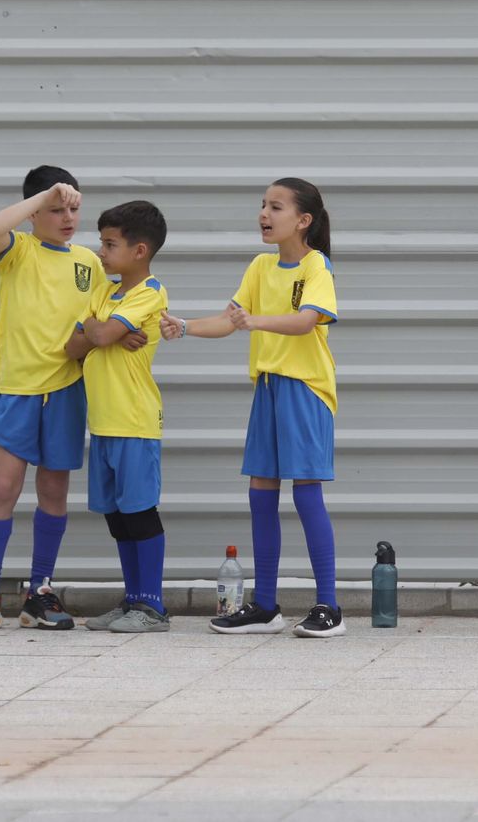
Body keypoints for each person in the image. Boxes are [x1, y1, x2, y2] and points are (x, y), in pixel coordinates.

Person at [0, 167, 143, 632]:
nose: (68, 217)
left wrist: (121, 336)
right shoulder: (18, 250)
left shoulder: (89, 263)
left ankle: (40, 591)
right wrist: (44, 195)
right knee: (3, 488)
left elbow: (104, 315)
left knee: (53, 492)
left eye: (73, 208)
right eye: (56, 209)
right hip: (19, 390)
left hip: (67, 391)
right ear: (34, 212)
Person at [160, 178, 344, 638]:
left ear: (303, 220)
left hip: (305, 389)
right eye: (262, 205)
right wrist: (183, 326)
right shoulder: (260, 267)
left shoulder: (316, 266)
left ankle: (329, 607)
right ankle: (265, 606)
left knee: (306, 493)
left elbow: (306, 321)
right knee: (261, 494)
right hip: (267, 386)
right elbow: (229, 319)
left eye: (275, 206)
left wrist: (254, 321)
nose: (264, 213)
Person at [63, 200, 172, 633]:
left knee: (140, 511)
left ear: (139, 250)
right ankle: (132, 599)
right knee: (117, 515)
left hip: (134, 419)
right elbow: (73, 346)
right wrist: (102, 333)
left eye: (110, 244)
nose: (101, 252)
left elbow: (97, 332)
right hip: (103, 422)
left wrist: (101, 331)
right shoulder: (106, 293)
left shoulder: (151, 292)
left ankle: (153, 606)